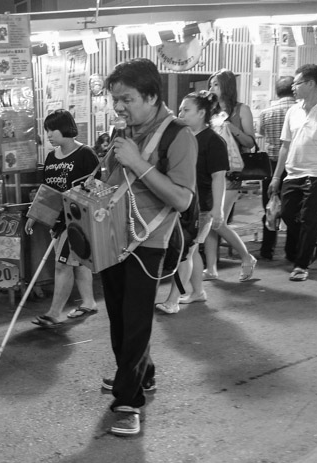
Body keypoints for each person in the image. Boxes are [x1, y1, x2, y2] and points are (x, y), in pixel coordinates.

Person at [101, 59, 197, 436]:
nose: (119, 107)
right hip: (113, 237)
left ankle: (129, 401)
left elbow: (183, 199)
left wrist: (138, 163)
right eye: (115, 100)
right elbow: (111, 179)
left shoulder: (179, 136)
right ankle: (142, 372)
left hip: (149, 242)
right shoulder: (125, 132)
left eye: (127, 99)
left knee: (135, 323)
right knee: (119, 317)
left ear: (152, 96)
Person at [268, 64, 317, 281]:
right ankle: (314, 246)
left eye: (297, 83)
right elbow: (285, 146)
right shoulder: (293, 111)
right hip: (293, 172)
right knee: (287, 214)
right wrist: (276, 177)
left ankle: (301, 265)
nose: (293, 87)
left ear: (311, 84)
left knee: (310, 219)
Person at [25, 109, 99, 327]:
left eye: (52, 130)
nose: (48, 135)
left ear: (65, 128)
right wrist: (34, 216)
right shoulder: (50, 157)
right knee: (79, 263)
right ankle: (89, 302)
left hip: (77, 222)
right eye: (47, 130)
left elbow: (97, 186)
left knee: (62, 265)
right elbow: (47, 191)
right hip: (57, 222)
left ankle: (54, 313)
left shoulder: (85, 154)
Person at [156, 91, 228, 315]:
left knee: (185, 252)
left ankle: (173, 300)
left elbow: (219, 177)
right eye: (180, 109)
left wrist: (217, 208)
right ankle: (198, 292)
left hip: (201, 207)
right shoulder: (181, 136)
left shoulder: (214, 141)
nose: (181, 113)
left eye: (186, 110)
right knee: (192, 251)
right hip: (181, 204)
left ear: (202, 113)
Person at [205, 69, 258, 281]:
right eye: (210, 85)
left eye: (216, 84)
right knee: (210, 222)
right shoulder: (210, 110)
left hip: (232, 172)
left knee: (216, 221)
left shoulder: (241, 110)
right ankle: (211, 268)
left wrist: (230, 128)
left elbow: (250, 143)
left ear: (226, 86)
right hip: (210, 170)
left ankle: (247, 257)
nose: (211, 88)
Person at [258, 76, 295, 260]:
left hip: (271, 166)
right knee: (292, 209)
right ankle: (291, 250)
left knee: (270, 207)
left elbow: (261, 133)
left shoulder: (266, 112)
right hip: (293, 166)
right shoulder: (299, 110)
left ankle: (267, 249)